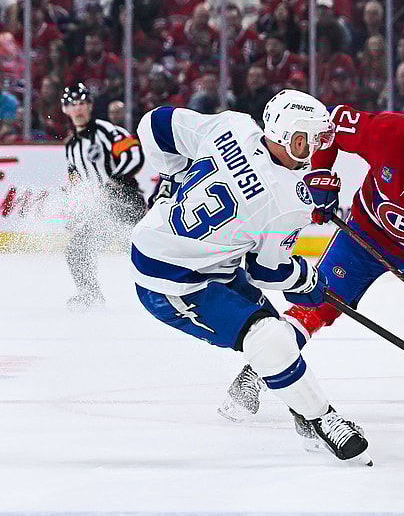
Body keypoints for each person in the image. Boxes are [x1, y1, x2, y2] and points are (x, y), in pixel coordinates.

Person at [220, 86, 404, 422]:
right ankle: (257, 371)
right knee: (318, 303)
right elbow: (328, 125)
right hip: (363, 237)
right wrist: (318, 172)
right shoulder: (387, 131)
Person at [130, 90, 372, 465]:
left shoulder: (234, 126)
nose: (319, 146)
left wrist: (174, 177)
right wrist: (308, 280)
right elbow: (267, 270)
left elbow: (156, 123)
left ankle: (303, 416)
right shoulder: (288, 202)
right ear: (291, 137)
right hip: (172, 279)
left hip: (192, 255)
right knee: (269, 336)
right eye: (313, 139)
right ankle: (323, 420)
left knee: (273, 335)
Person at [61, 82, 145, 310]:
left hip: (126, 202)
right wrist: (73, 209)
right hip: (103, 210)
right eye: (72, 104)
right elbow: (76, 182)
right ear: (65, 110)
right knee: (77, 250)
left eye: (81, 103)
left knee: (148, 249)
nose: (77, 109)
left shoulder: (106, 131)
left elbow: (134, 155)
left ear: (90, 105)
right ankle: (90, 296)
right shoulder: (71, 147)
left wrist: (115, 180)